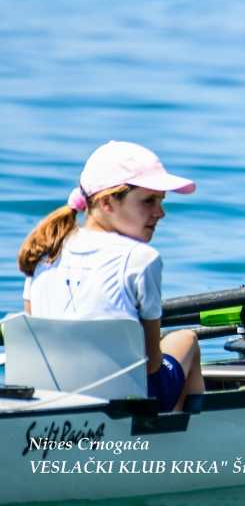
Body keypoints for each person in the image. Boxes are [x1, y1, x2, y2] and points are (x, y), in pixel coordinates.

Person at [18, 141, 203, 412]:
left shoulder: (44, 248)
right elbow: (151, 364)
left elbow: (34, 335)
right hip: (123, 401)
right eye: (149, 201)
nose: (160, 213)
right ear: (107, 202)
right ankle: (187, 432)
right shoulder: (142, 258)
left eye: (161, 201)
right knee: (187, 339)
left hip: (49, 397)